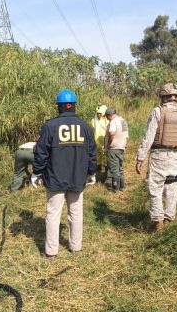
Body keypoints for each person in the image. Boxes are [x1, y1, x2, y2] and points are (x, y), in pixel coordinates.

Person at [31, 89, 96, 258]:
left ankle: (51, 251)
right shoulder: (86, 127)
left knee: (53, 214)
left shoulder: (50, 126)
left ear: (59, 107)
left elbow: (41, 152)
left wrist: (36, 172)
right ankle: (75, 246)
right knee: (76, 213)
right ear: (73, 106)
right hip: (77, 178)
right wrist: (92, 172)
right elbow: (91, 153)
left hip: (55, 178)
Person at [136, 83, 177, 231]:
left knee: (155, 188)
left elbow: (149, 136)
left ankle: (158, 221)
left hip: (159, 156)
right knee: (171, 187)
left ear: (163, 97)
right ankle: (169, 218)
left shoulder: (158, 111)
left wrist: (140, 157)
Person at [104, 107, 128, 192]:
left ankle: (115, 189)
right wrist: (125, 146)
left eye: (107, 117)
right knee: (120, 168)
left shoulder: (113, 121)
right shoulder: (123, 121)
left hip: (113, 148)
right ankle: (121, 187)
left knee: (114, 169)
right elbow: (126, 136)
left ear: (109, 115)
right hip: (121, 147)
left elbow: (111, 133)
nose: (107, 119)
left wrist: (109, 145)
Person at [90, 104, 109, 180]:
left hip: (104, 143)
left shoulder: (107, 121)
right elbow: (91, 131)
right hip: (96, 143)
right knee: (97, 159)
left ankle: (106, 175)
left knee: (105, 159)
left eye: (100, 113)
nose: (99, 115)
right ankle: (98, 175)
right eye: (97, 113)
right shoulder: (93, 121)